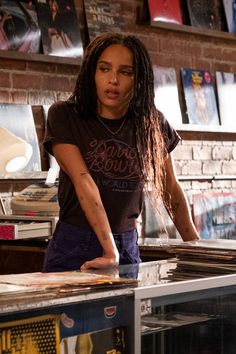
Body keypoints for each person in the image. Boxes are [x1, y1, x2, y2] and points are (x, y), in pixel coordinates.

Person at [42, 32, 199, 273]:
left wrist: (199, 251)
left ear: (139, 79)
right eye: (104, 69)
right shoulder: (64, 115)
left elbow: (171, 189)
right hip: (75, 245)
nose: (113, 80)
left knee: (129, 312)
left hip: (126, 246)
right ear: (92, 73)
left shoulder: (152, 123)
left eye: (125, 72)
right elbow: (84, 182)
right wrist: (109, 250)